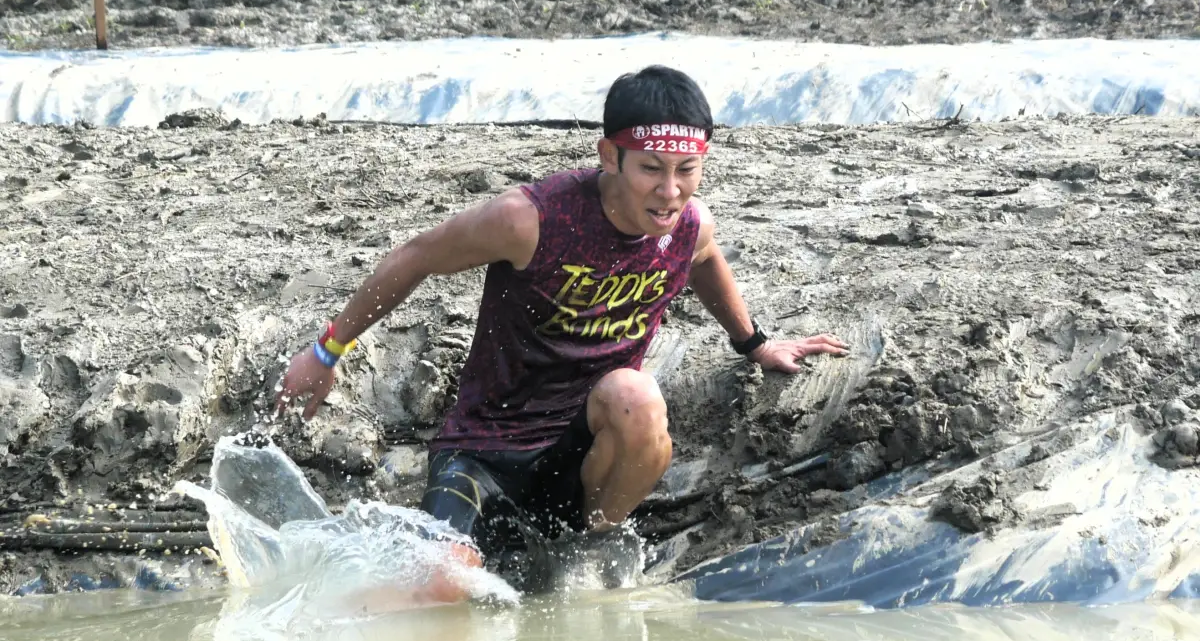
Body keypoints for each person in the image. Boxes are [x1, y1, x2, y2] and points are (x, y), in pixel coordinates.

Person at [275, 65, 848, 591]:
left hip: (582, 456)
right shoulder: (530, 219)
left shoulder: (688, 225)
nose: (670, 191)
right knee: (442, 589)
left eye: (686, 170)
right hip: (483, 454)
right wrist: (327, 352)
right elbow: (417, 255)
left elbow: (703, 259)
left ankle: (586, 550)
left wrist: (755, 344)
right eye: (651, 168)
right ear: (610, 156)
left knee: (637, 395)